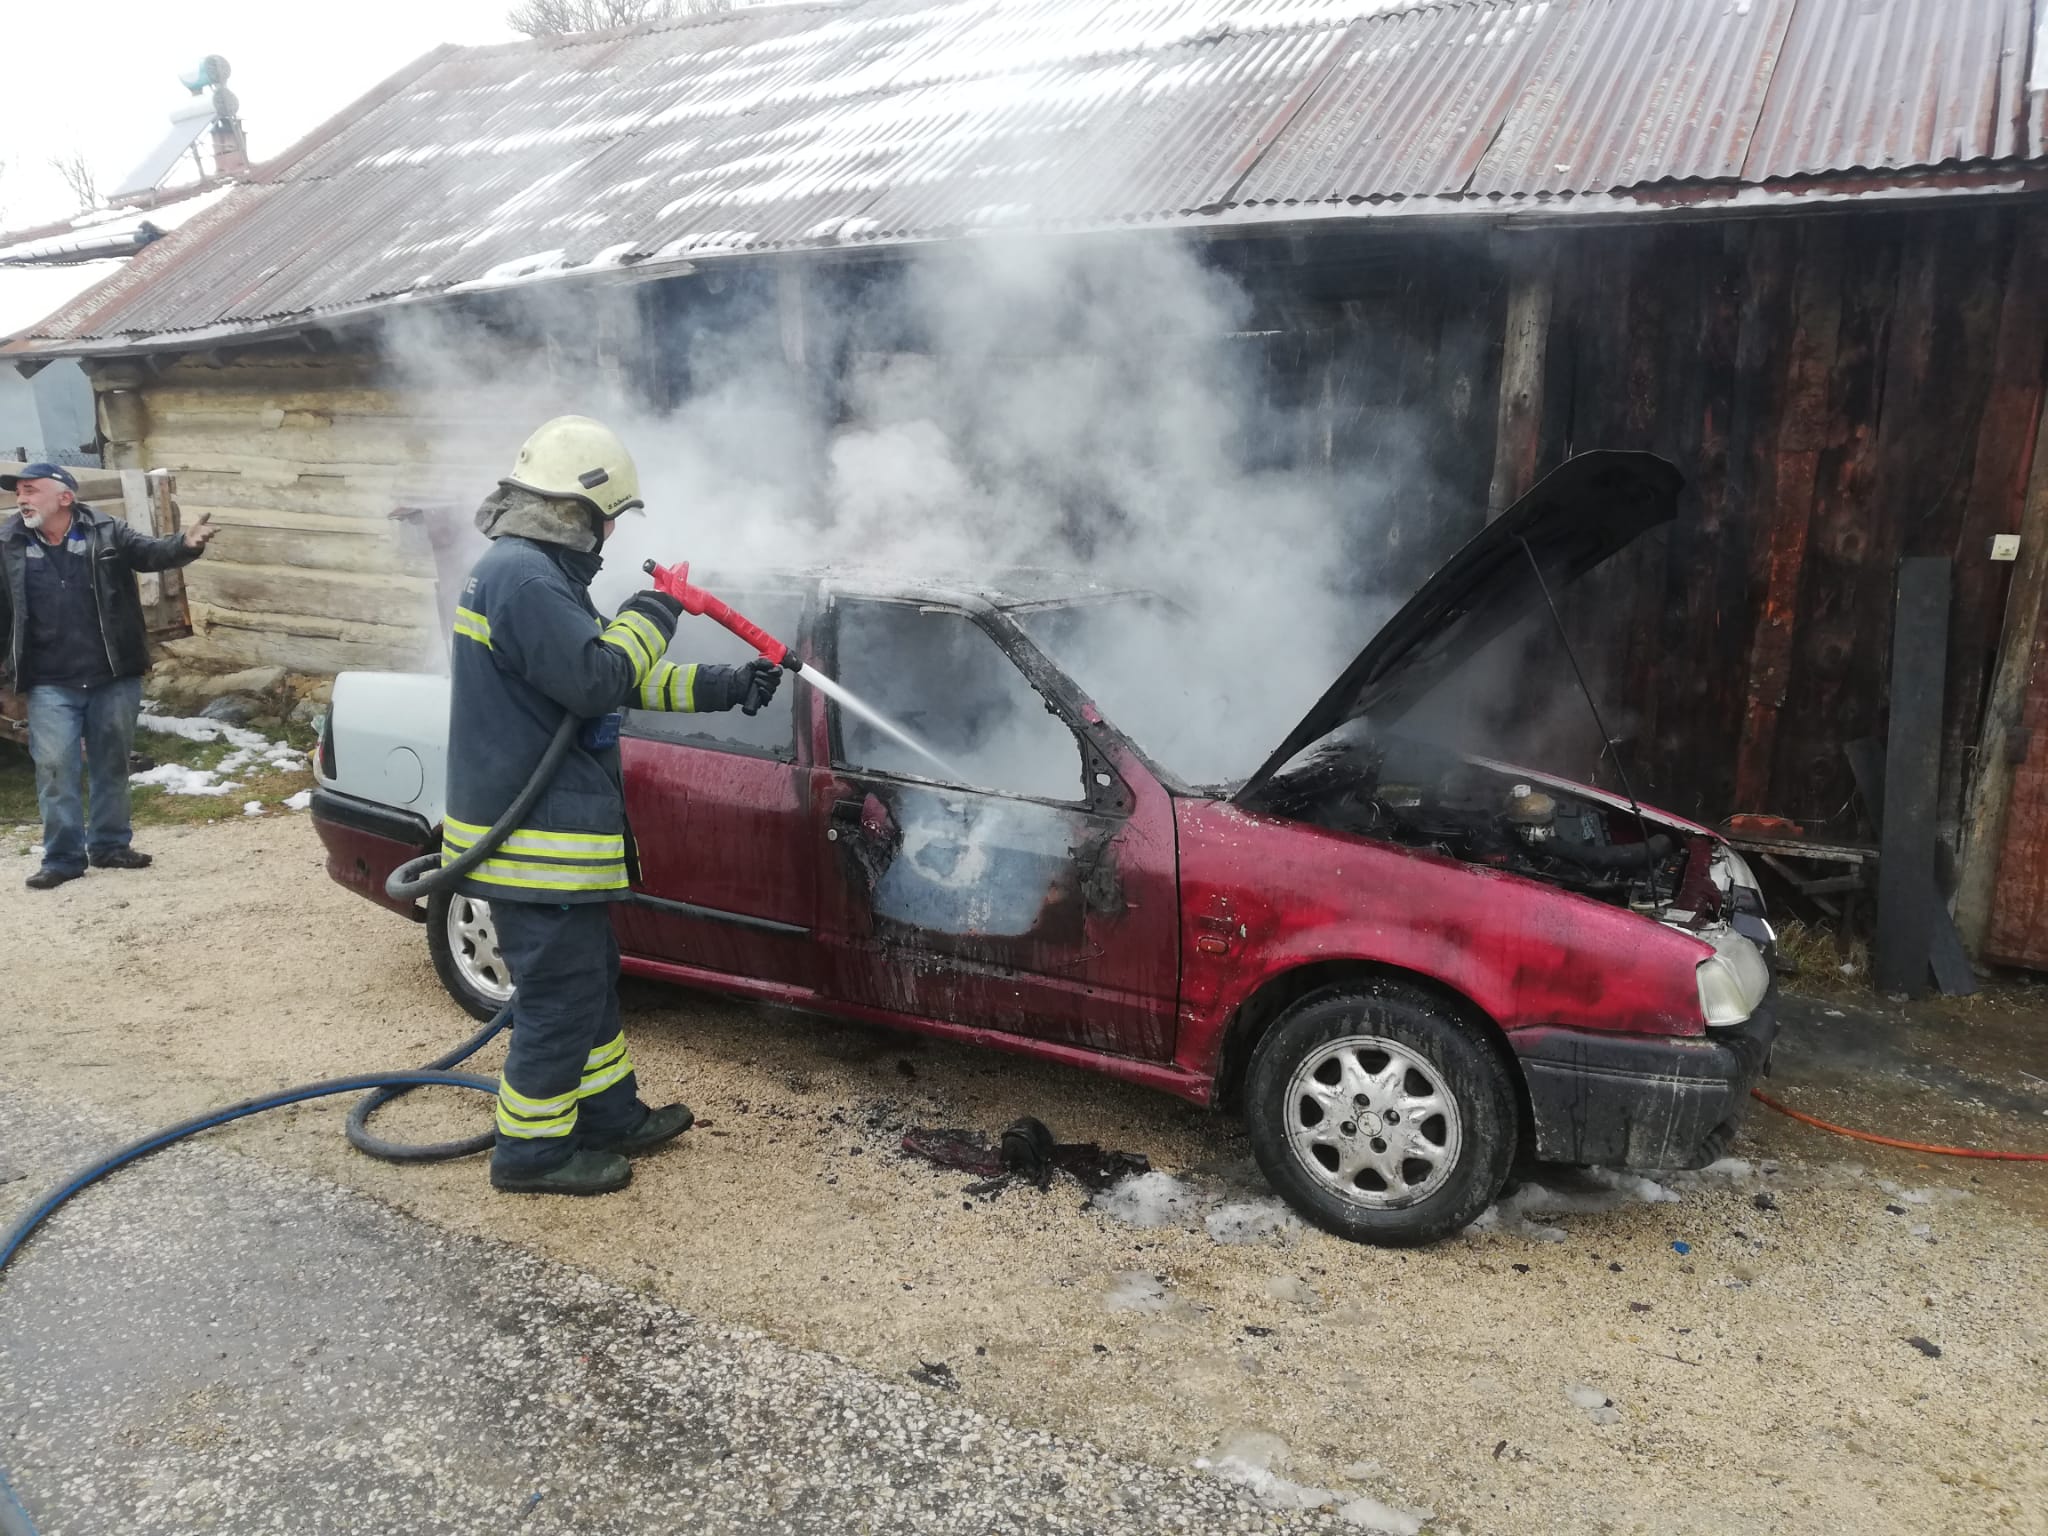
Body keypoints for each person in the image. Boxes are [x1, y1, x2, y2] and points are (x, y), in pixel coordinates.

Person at [448, 416, 781, 1197]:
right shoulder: (524, 578)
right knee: (562, 1001)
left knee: (588, 982)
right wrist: (658, 609)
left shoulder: (534, 577)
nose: (609, 534)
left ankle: (609, 1116)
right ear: (581, 509)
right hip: (535, 841)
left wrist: (724, 689)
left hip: (547, 834)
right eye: (610, 518)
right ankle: (530, 1156)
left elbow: (605, 676)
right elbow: (600, 677)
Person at [1, 463, 219, 891]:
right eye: (18, 492)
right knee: (55, 768)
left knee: (110, 764)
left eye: (31, 490)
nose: (21, 499)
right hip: (49, 681)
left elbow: (152, 553)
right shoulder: (7, 543)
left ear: (65, 497)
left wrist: (186, 545)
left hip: (113, 674)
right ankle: (62, 858)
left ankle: (110, 845)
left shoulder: (107, 531)